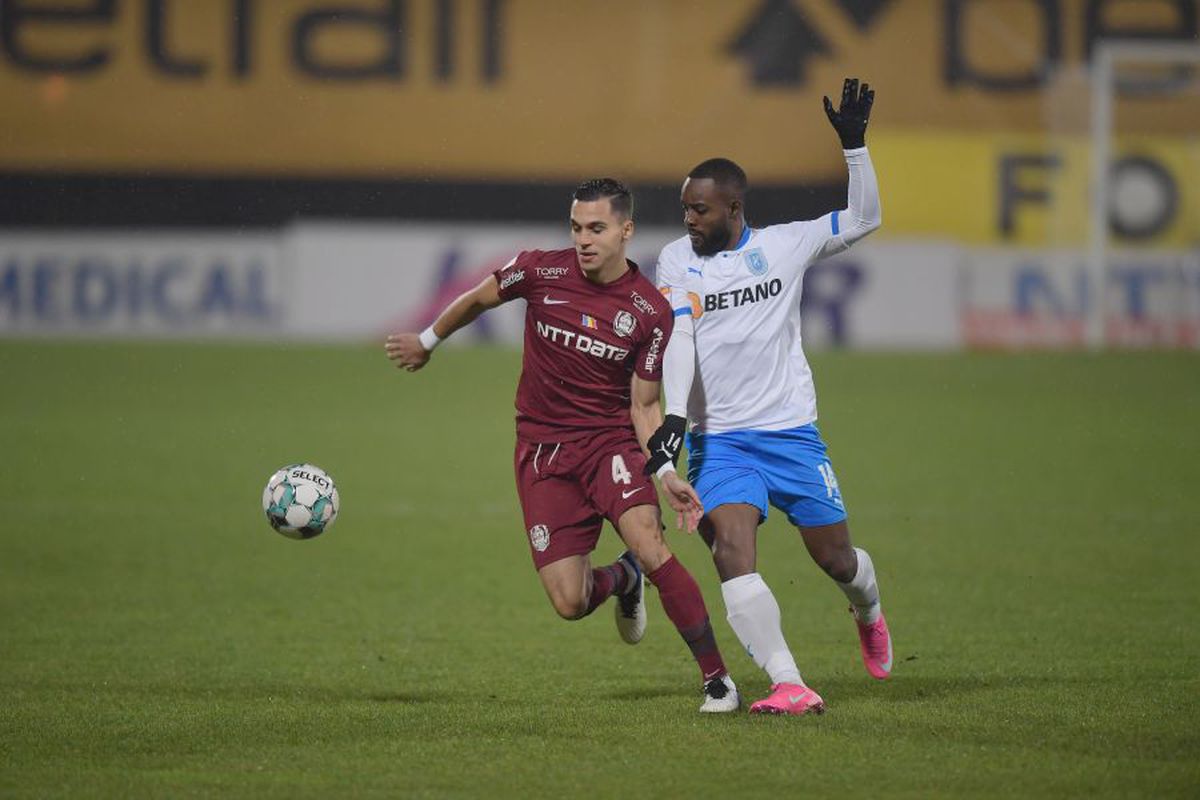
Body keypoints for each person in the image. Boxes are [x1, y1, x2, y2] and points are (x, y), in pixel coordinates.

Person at [385, 178, 740, 713]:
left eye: (596, 228)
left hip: (609, 445)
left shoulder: (648, 311)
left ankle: (718, 680)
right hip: (542, 453)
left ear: (626, 230)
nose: (583, 239)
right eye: (576, 227)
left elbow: (643, 407)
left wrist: (665, 474)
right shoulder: (540, 270)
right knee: (570, 602)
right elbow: (480, 297)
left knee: (652, 543)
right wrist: (429, 341)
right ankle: (623, 577)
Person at [644, 78, 890, 716]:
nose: (689, 220)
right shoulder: (677, 261)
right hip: (721, 440)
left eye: (699, 210)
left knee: (838, 560)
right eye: (684, 209)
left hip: (791, 435)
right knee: (730, 551)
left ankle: (868, 609)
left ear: (732, 207)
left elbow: (865, 219)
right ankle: (789, 682)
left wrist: (855, 149)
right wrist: (674, 414)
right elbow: (681, 336)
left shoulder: (786, 244)